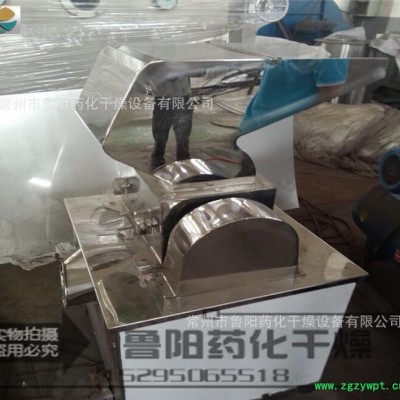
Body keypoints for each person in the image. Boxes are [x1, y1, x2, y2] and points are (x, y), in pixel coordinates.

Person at [239, 58, 349, 133]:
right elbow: (329, 97)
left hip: (257, 123)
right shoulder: (333, 54)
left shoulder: (282, 39)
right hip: (283, 132)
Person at [150, 75, 193, 170]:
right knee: (160, 135)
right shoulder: (154, 67)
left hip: (182, 99)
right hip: (162, 100)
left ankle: (183, 162)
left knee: (183, 135)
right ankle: (157, 163)